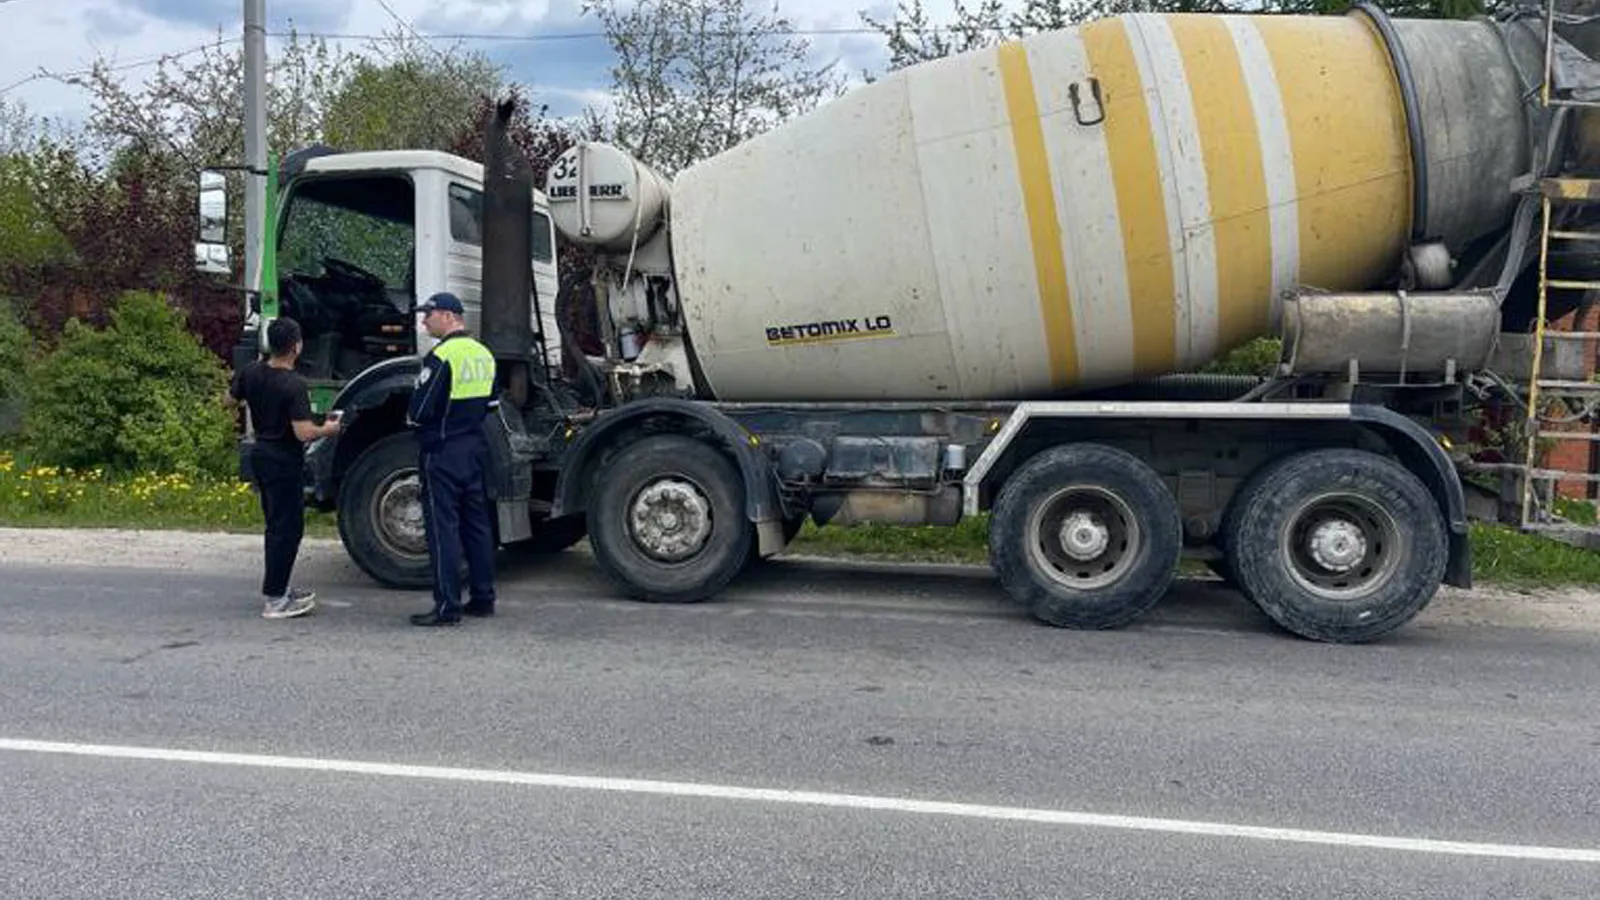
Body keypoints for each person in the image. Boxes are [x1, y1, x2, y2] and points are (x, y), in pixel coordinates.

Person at [227, 316, 343, 620]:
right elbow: (303, 433)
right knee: (287, 530)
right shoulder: (294, 385)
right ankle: (276, 599)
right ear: (297, 347)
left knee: (275, 525)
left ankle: (279, 587)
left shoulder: (251, 372)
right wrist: (328, 429)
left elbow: (228, 399)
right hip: (283, 460)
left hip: (260, 455)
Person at [406, 291, 499, 626]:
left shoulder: (441, 356)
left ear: (447, 315)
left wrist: (417, 421)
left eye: (427, 314)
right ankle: (483, 597)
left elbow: (418, 411)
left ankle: (447, 606)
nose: (423, 321)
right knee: (477, 526)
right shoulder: (484, 354)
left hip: (441, 451)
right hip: (473, 449)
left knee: (442, 529)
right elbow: (492, 405)